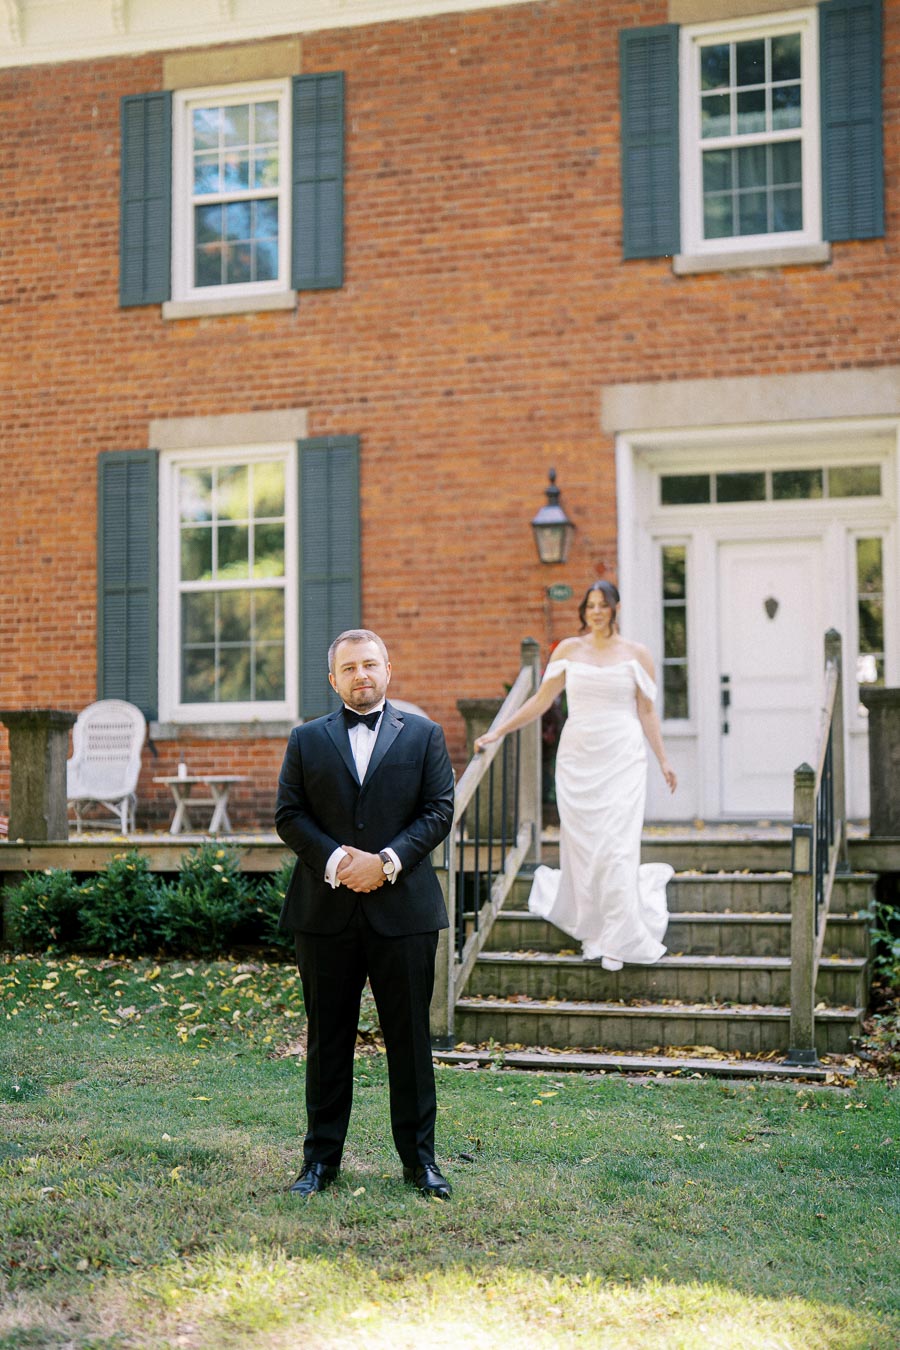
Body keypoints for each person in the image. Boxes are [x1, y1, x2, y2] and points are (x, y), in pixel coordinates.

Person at [275, 629, 455, 1199]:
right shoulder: (306, 740)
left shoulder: (424, 734)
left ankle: (420, 1162)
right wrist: (335, 860)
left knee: (410, 1040)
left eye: (370, 664)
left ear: (388, 668)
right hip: (324, 912)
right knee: (328, 1042)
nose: (361, 675)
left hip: (403, 910)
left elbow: (439, 810)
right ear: (333, 679)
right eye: (349, 667)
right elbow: (289, 813)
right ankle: (320, 1163)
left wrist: (386, 861)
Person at [475, 581, 676, 971]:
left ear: (616, 608)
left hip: (623, 755)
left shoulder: (638, 654)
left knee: (617, 846)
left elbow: (647, 711)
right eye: (590, 605)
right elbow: (541, 700)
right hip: (579, 758)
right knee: (586, 847)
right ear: (584, 610)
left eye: (603, 605)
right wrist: (500, 730)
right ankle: (593, 927)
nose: (596, 611)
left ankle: (618, 938)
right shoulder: (569, 649)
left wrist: (664, 759)